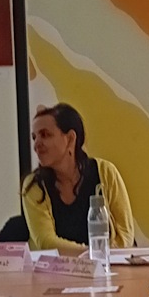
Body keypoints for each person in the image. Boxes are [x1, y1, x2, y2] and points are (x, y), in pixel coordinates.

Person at [20, 103, 133, 255]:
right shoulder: (33, 185)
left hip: (110, 265)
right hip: (55, 269)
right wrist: (93, 255)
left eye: (45, 135)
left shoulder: (105, 172)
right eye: (34, 137)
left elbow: (125, 235)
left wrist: (102, 258)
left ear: (70, 139)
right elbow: (46, 242)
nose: (36, 145)